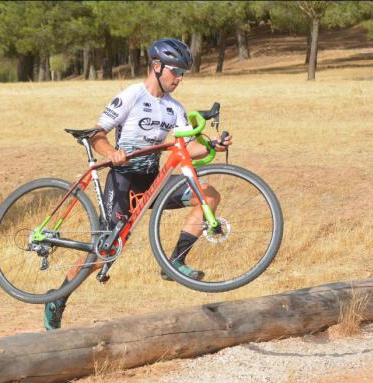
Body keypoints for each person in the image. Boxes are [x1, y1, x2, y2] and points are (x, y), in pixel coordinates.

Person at [43, 38, 232, 331]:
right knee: (103, 252)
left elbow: (189, 147)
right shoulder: (132, 95)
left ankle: (175, 263)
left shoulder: (174, 108)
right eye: (175, 72)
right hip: (122, 180)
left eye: (183, 73)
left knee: (208, 196)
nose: (179, 79)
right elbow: (96, 134)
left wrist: (213, 145)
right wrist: (111, 153)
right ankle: (56, 299)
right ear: (156, 67)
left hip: (153, 180)